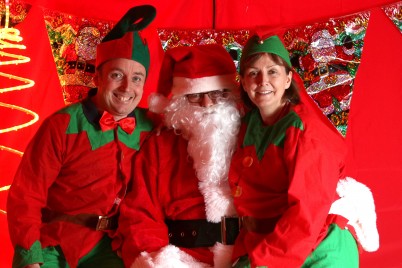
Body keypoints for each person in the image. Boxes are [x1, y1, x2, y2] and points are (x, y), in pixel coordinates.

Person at [7, 5, 157, 268]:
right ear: (97, 77)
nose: (127, 88)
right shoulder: (62, 125)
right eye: (116, 75)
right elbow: (26, 196)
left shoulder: (152, 126)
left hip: (114, 248)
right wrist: (31, 259)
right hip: (54, 245)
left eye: (136, 78)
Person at [227, 33, 379, 267]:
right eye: (253, 73)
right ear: (244, 82)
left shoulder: (307, 133)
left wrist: (265, 260)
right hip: (270, 241)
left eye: (273, 72)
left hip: (320, 247)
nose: (262, 81)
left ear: (288, 79)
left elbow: (306, 215)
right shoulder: (248, 125)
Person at [116, 44, 242, 267]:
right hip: (182, 257)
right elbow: (140, 215)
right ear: (180, 100)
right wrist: (156, 260)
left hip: (247, 254)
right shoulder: (160, 145)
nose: (207, 103)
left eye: (216, 93)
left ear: (231, 94)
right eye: (195, 96)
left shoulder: (251, 135)